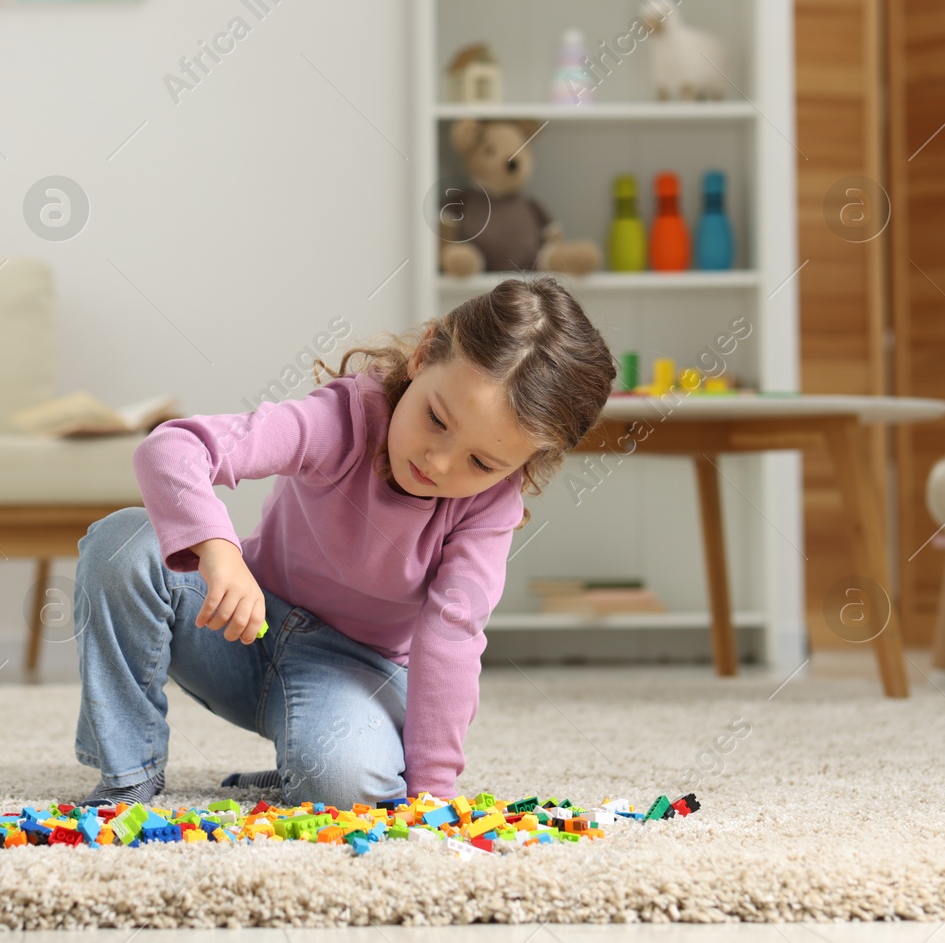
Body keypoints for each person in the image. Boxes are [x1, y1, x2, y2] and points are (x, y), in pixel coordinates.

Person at [71, 277, 615, 808]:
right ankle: (129, 775)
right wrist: (219, 550)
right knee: (122, 542)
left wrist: (431, 797)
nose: (439, 462)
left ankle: (301, 767)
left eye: (481, 462)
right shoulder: (341, 420)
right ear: (424, 357)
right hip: (241, 626)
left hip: (354, 671)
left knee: (344, 785)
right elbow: (172, 449)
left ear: (525, 464)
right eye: (435, 419)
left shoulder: (491, 507)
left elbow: (450, 639)